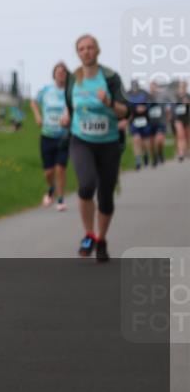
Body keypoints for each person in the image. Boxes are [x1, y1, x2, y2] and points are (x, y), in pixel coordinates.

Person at [61, 34, 131, 263]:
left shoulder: (110, 78)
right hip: (81, 140)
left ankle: (102, 240)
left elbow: (125, 111)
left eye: (90, 47)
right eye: (82, 48)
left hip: (109, 143)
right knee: (86, 184)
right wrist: (66, 117)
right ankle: (89, 234)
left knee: (106, 197)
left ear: (98, 50)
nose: (86, 51)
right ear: (78, 53)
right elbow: (70, 106)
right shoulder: (73, 79)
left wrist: (109, 103)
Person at [31, 62, 70, 211]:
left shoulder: (70, 92)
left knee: (60, 168)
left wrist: (69, 117)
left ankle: (60, 199)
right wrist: (37, 116)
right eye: (58, 72)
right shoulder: (46, 90)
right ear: (54, 75)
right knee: (48, 172)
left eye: (64, 72)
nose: (61, 74)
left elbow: (76, 107)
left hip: (64, 136)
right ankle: (51, 189)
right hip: (47, 135)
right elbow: (33, 102)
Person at [127, 80, 153, 170]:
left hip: (145, 120)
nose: (135, 89)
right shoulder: (128, 94)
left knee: (145, 142)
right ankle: (138, 161)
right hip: (134, 121)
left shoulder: (144, 93)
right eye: (133, 87)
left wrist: (145, 107)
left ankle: (146, 155)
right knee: (136, 139)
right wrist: (134, 109)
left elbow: (150, 103)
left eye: (136, 87)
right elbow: (127, 106)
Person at [146, 80, 170, 167]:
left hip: (161, 121)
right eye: (151, 87)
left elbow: (167, 109)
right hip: (150, 122)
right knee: (151, 142)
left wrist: (167, 119)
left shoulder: (162, 97)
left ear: (157, 87)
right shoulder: (147, 98)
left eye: (154, 87)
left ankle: (160, 152)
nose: (152, 89)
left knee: (159, 139)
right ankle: (154, 157)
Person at [173, 80, 189, 163]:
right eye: (180, 87)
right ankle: (181, 153)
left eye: (183, 87)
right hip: (178, 119)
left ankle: (186, 151)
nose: (182, 89)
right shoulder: (175, 97)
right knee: (180, 136)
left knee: (187, 137)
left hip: (187, 118)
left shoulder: (188, 96)